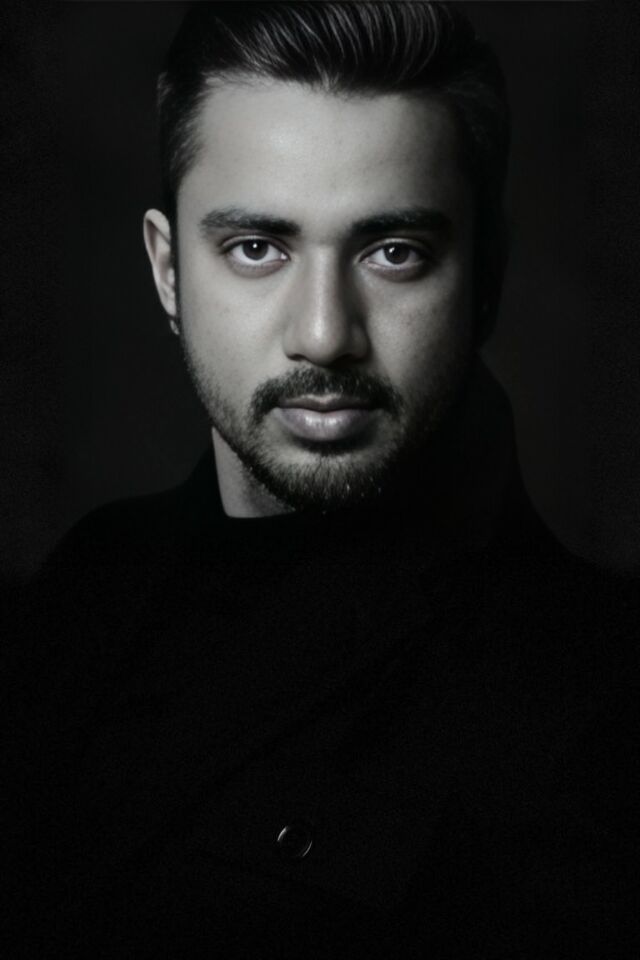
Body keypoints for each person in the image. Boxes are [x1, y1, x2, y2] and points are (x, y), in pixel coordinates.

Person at [3, 3, 637, 957]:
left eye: (394, 253)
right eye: (257, 248)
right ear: (169, 272)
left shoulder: (597, 698)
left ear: (487, 275)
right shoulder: (86, 586)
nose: (324, 334)